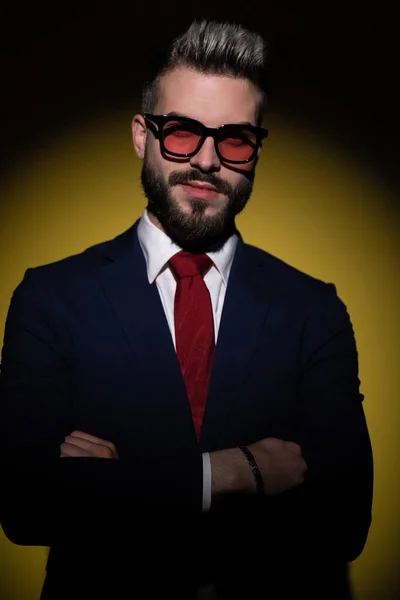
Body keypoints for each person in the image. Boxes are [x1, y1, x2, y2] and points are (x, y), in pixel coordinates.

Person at [0, 19, 373, 600]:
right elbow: (25, 505)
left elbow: (343, 520)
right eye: (180, 132)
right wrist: (231, 474)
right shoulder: (51, 298)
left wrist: (115, 484)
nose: (205, 160)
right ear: (140, 136)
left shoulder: (312, 309)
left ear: (255, 151)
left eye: (235, 139)